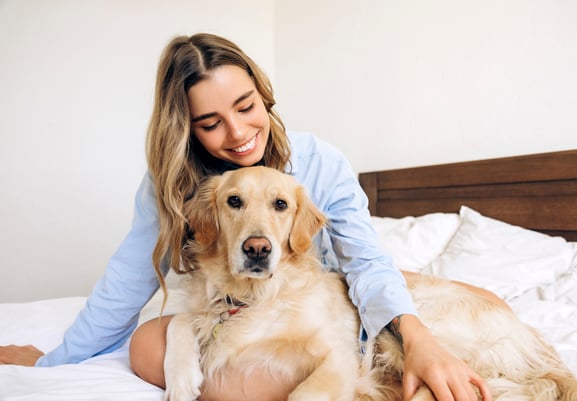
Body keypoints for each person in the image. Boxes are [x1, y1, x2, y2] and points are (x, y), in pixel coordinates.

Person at [0, 33, 502, 401]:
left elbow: (366, 260)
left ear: (263, 94)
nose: (239, 133)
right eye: (211, 123)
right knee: (147, 345)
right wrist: (54, 363)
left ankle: (340, 378)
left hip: (308, 309)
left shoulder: (319, 162)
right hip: (229, 308)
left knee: (357, 331)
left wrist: (418, 339)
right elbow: (127, 280)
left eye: (246, 106)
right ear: (189, 130)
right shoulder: (173, 182)